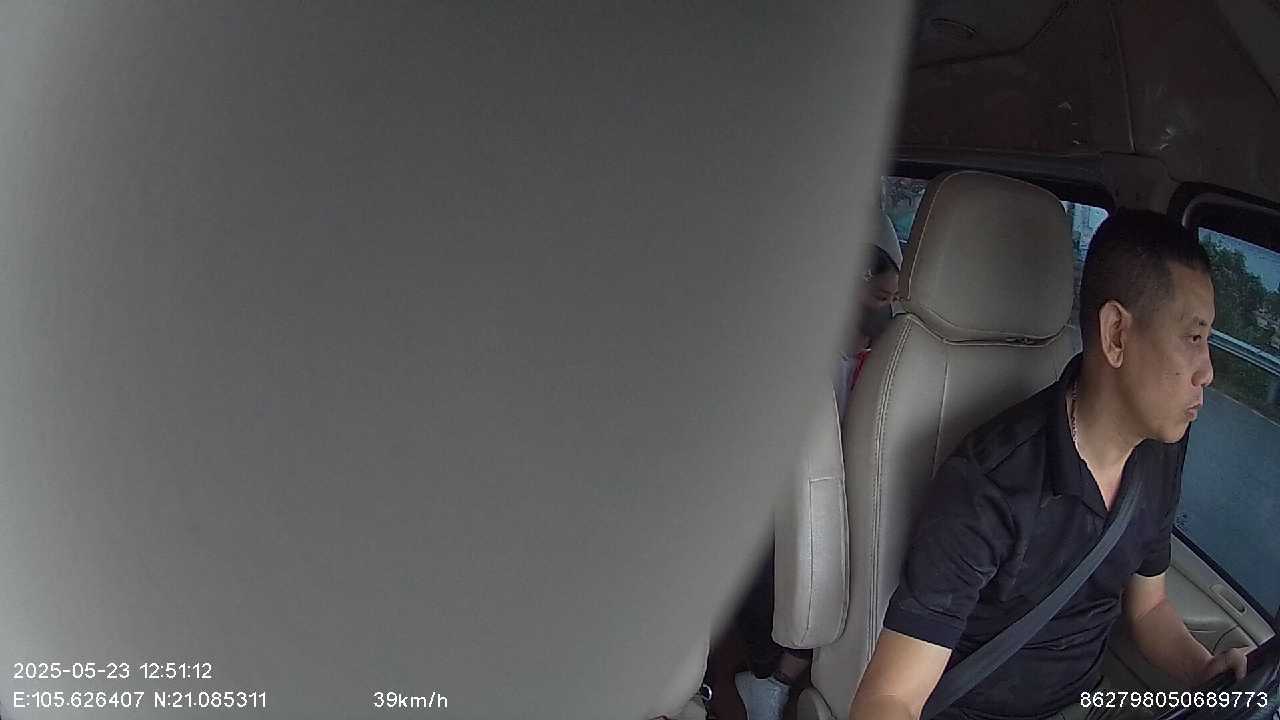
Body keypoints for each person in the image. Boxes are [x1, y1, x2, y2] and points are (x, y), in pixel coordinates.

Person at [848, 210, 1248, 720]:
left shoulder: (1161, 454)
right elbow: (890, 699)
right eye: (1193, 338)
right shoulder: (989, 485)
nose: (1208, 372)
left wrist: (1203, 672)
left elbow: (1149, 608)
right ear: (1116, 335)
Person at [707, 214, 903, 720]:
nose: (886, 303)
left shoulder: (898, 364)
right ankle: (769, 674)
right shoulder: (793, 359)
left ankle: (778, 678)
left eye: (891, 294)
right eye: (875, 292)